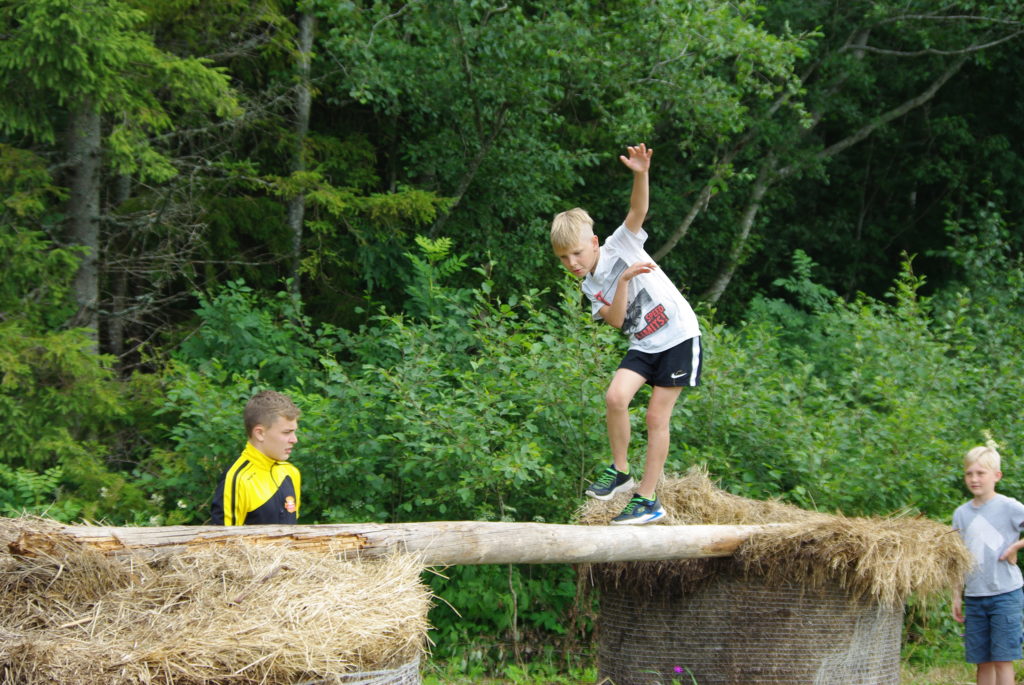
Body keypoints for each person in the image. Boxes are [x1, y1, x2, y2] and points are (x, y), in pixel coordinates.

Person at [550, 143, 702, 525]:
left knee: (655, 417)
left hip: (678, 335)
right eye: (563, 258)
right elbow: (618, 320)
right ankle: (621, 472)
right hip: (644, 342)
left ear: (594, 243)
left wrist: (641, 173)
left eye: (577, 253)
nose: (572, 262)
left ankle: (647, 499)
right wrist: (623, 282)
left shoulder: (622, 244)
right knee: (615, 397)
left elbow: (638, 210)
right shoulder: (589, 286)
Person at [952, 443, 1024, 685]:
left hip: (1005, 594)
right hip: (975, 597)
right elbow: (957, 558)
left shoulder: (1008, 506)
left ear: (997, 476)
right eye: (969, 473)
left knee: (1002, 659)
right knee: (982, 662)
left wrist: (1015, 547)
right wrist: (956, 596)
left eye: (980, 473)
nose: (974, 479)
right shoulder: (961, 514)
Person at [211, 390, 302, 525]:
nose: (294, 440)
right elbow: (223, 537)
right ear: (260, 433)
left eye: (294, 432)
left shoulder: (291, 472)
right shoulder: (238, 479)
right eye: (286, 432)